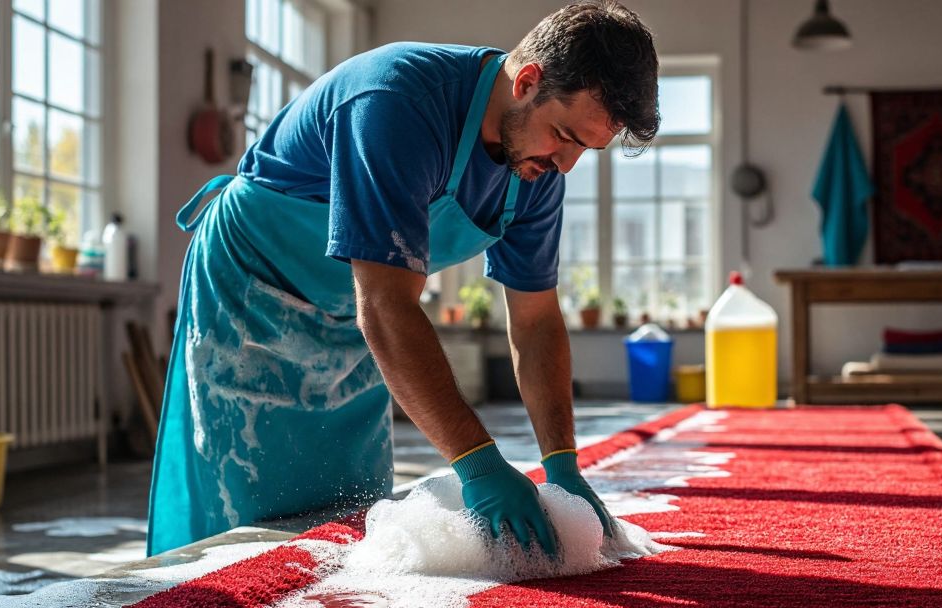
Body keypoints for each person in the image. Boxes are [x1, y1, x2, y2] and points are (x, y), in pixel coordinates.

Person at [146, 2, 661, 557]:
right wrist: (479, 463)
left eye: (586, 147)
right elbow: (388, 305)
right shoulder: (399, 103)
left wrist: (562, 464)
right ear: (527, 82)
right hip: (253, 287)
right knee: (242, 505)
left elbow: (535, 321)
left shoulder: (538, 170)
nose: (566, 165)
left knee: (349, 511)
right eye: (564, 136)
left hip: (354, 308)